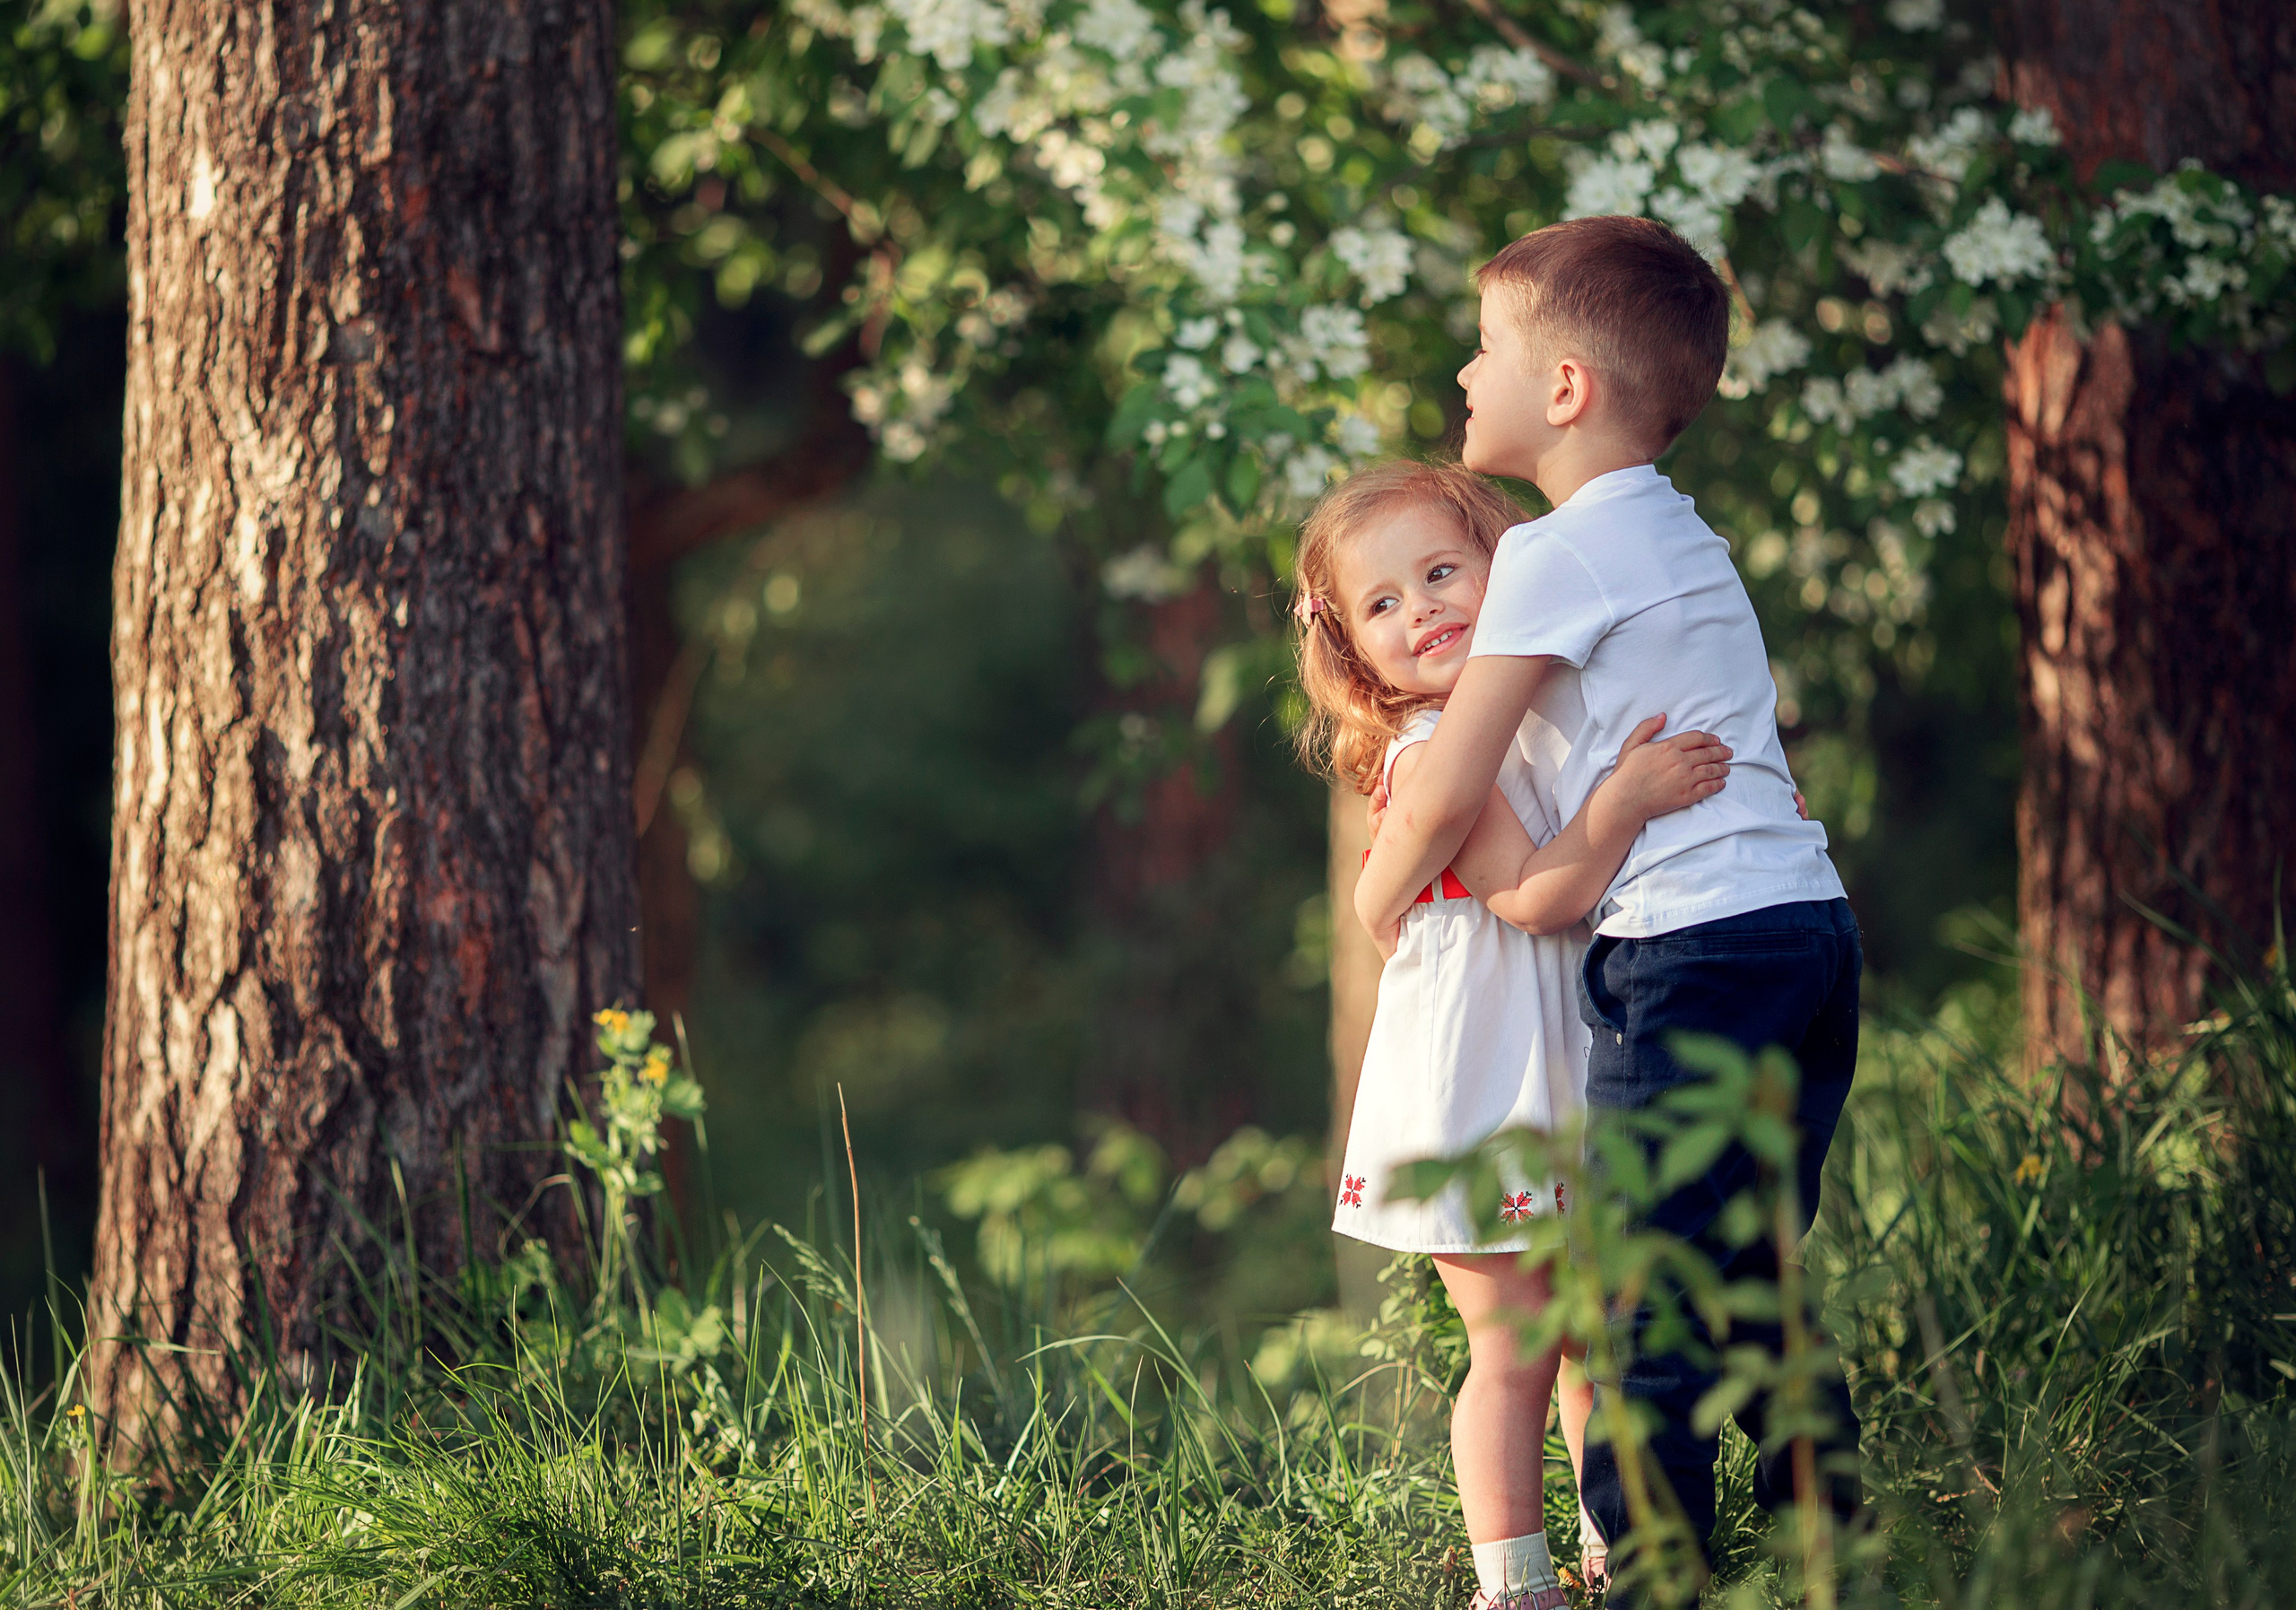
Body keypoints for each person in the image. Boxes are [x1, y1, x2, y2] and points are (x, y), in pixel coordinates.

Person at [1353, 214, 1866, 1588]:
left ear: (1564, 388)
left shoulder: (1546, 555)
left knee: (1642, 1289)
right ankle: (1835, 1530)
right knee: (1746, 1262)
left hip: (1691, 947)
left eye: (1485, 349)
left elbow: (1450, 780)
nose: (1465, 375)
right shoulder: (1689, 540)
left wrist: (1384, 887)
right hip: (1808, 925)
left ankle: (1652, 1568)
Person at [1293, 457, 1736, 1609]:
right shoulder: (1437, 749)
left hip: (1562, 1047)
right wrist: (1624, 803)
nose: (1421, 609)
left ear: (1507, 569)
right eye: (1381, 605)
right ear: (1350, 648)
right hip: (1481, 1073)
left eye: (1442, 574)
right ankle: (1514, 1582)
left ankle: (1613, 1549)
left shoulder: (1522, 724)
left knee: (1597, 1330)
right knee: (1517, 1343)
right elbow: (1535, 892)